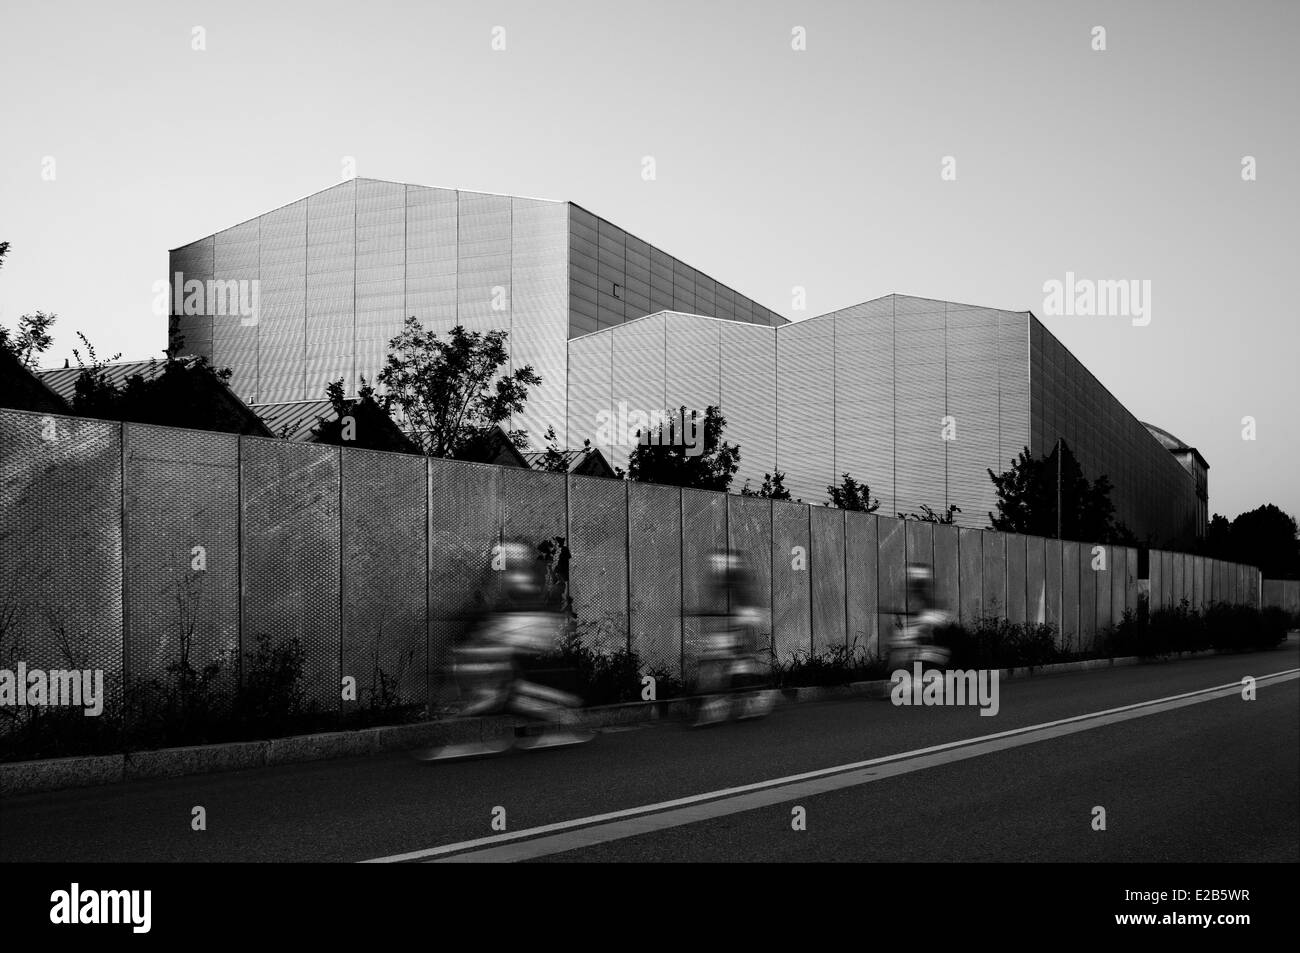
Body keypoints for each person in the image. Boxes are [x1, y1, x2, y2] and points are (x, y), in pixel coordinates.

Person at [692, 549, 776, 726]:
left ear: (724, 562)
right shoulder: (724, 571)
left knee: (731, 651)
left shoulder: (735, 572)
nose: (714, 567)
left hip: (748, 612)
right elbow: (716, 596)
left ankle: (747, 691)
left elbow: (744, 601)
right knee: (726, 651)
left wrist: (729, 619)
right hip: (740, 613)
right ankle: (740, 690)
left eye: (716, 563)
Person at [887, 563, 954, 673]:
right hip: (914, 665)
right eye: (914, 583)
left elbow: (941, 627)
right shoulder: (921, 609)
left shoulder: (933, 612)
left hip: (928, 664)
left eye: (918, 583)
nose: (914, 587)